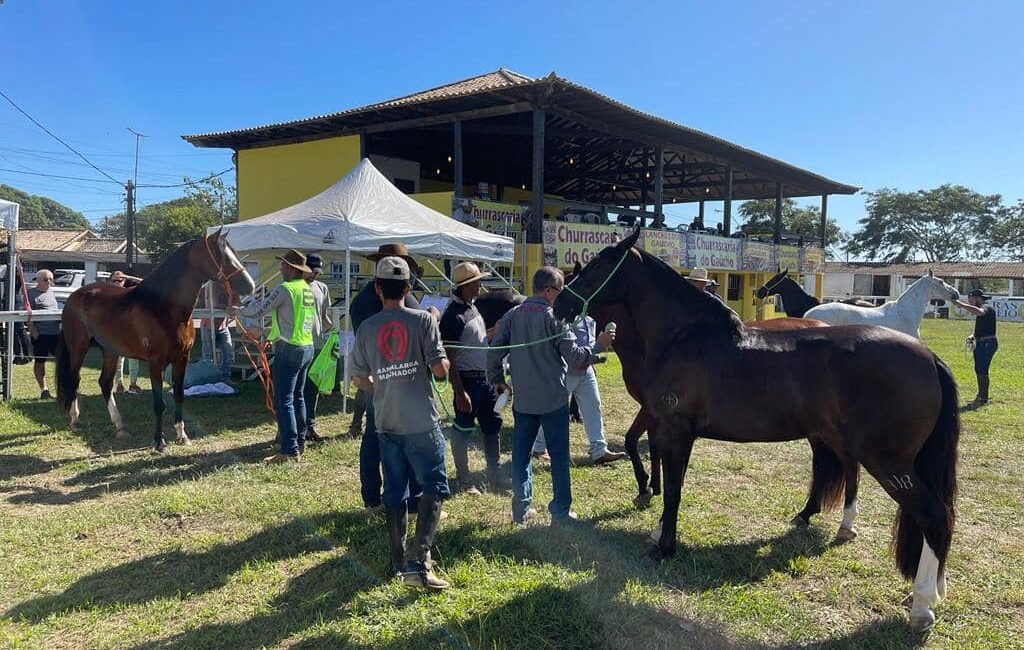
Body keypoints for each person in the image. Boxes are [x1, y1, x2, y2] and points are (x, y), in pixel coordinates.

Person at [351, 256, 451, 590]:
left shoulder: (366, 327)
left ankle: (397, 560)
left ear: (378, 289)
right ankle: (418, 564)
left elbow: (357, 379)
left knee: (394, 489)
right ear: (408, 288)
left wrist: (383, 385)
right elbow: (440, 371)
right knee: (433, 485)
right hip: (421, 421)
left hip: (385, 421)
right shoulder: (424, 320)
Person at [487, 266, 614, 525]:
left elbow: (493, 353)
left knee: (521, 457)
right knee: (558, 457)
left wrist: (497, 381)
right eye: (561, 290)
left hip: (523, 402)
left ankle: (520, 509)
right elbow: (578, 360)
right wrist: (600, 344)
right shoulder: (555, 319)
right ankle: (560, 511)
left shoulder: (512, 315)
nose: (563, 295)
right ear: (548, 290)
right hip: (553, 400)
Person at [350, 243, 425, 511]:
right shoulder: (407, 296)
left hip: (374, 379)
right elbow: (422, 323)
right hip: (401, 379)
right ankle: (409, 499)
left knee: (374, 437)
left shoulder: (361, 300)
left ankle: (373, 498)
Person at [235, 249, 317, 463]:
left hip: (289, 349)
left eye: (282, 265)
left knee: (284, 400)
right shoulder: (307, 289)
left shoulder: (285, 289)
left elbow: (259, 309)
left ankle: (289, 451)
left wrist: (237, 310)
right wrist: (268, 333)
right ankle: (300, 441)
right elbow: (292, 319)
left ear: (290, 268)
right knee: (298, 397)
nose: (280, 269)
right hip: (306, 347)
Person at [439, 262, 506, 495]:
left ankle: (495, 474)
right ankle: (464, 479)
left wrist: (492, 332)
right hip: (467, 381)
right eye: (478, 281)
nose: (481, 284)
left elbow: (475, 343)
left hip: (483, 379)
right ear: (466, 285)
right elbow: (450, 358)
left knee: (492, 424)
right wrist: (459, 392)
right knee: (462, 429)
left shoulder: (473, 308)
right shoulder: (452, 316)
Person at [531, 313, 626, 465]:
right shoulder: (565, 320)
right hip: (566, 372)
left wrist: (592, 362)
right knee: (553, 410)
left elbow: (587, 342)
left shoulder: (589, 318)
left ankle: (599, 450)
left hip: (586, 370)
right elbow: (571, 351)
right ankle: (539, 447)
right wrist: (600, 344)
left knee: (593, 406)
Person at [302, 253, 332, 443]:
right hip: (299, 345)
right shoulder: (294, 286)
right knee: (296, 390)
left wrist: (334, 330)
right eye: (312, 271)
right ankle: (290, 428)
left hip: (317, 345)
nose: (314, 275)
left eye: (317, 272)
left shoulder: (322, 288)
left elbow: (323, 316)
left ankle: (310, 426)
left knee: (312, 389)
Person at [954, 288, 998, 404]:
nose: (969, 302)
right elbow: (983, 328)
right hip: (982, 342)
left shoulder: (986, 308)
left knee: (982, 369)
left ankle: (983, 398)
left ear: (977, 298)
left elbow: (980, 312)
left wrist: (962, 305)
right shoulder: (984, 308)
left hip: (986, 343)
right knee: (979, 368)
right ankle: (981, 395)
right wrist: (973, 335)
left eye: (971, 300)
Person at [109, 271, 144, 394]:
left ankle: (133, 384)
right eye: (114, 280)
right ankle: (119, 384)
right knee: (118, 359)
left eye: (120, 280)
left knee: (134, 357)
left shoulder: (130, 291)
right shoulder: (107, 295)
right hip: (116, 331)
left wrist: (129, 277)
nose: (117, 283)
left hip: (131, 330)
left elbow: (145, 283)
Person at [27, 269, 60, 399]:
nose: (49, 282)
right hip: (41, 335)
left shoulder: (52, 293)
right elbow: (28, 315)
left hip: (55, 334)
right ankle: (44, 390)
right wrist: (34, 333)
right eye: (45, 279)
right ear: (38, 280)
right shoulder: (31, 294)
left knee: (63, 360)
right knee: (40, 362)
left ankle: (65, 388)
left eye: (51, 279)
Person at [200, 281, 235, 385]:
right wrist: (230, 298)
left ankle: (225, 377)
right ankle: (208, 379)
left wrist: (235, 308)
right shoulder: (211, 285)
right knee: (207, 355)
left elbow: (237, 305)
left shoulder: (231, 286)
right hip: (208, 325)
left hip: (223, 326)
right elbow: (215, 305)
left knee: (228, 352)